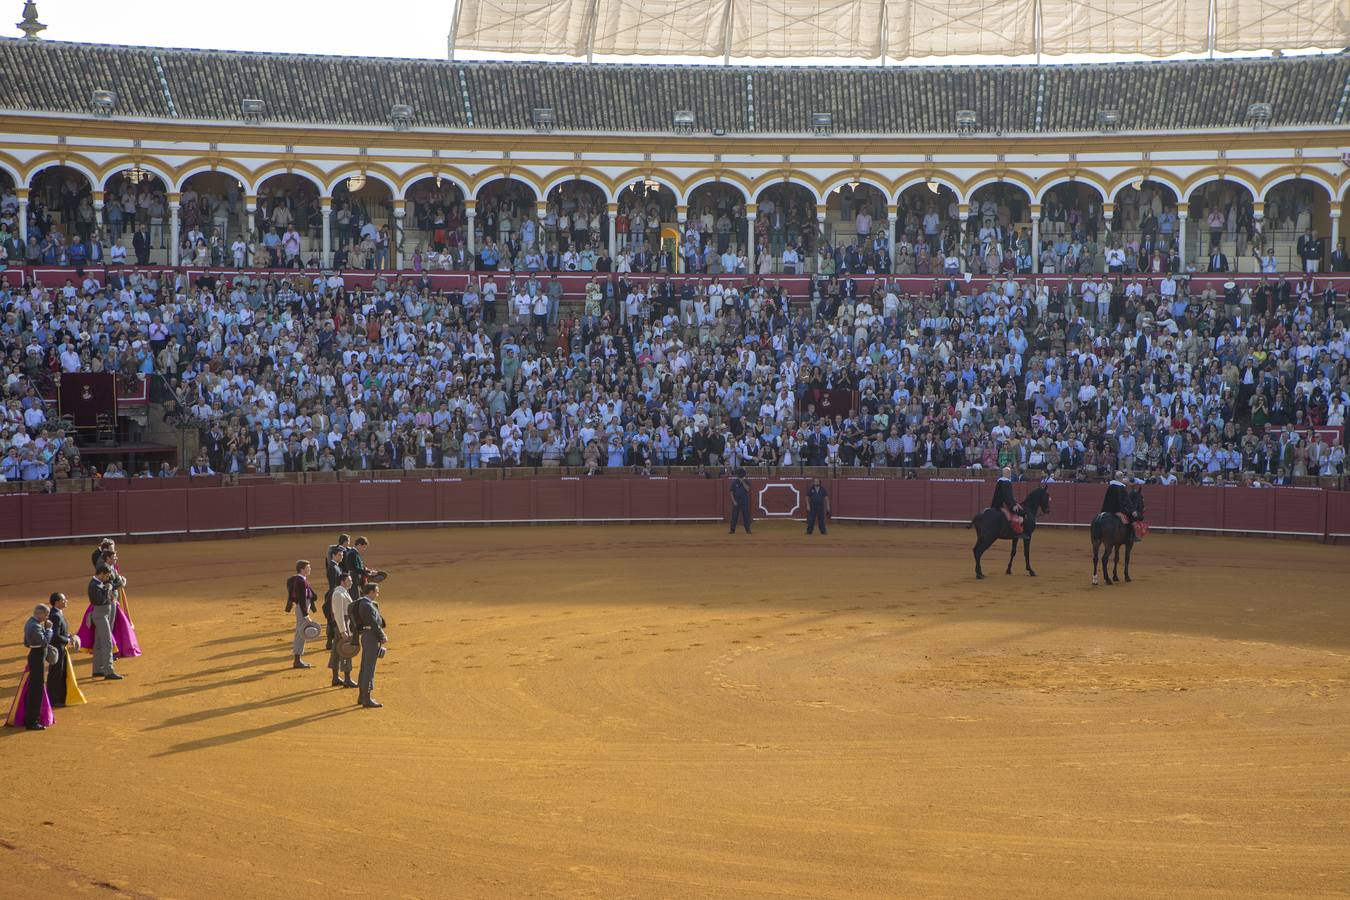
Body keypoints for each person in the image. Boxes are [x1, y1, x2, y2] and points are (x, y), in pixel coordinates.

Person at [5, 603, 54, 730]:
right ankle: (32, 721)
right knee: (36, 690)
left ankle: (31, 719)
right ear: (39, 613)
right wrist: (49, 630)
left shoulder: (31, 623)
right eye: (46, 614)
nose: (47, 617)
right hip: (37, 658)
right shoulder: (35, 625)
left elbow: (27, 643)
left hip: (35, 655)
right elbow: (44, 642)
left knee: (34, 688)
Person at [350, 580, 388, 709]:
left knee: (365, 666)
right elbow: (373, 623)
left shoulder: (364, 603)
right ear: (371, 592)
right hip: (371, 636)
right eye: (376, 591)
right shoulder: (366, 605)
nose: (377, 594)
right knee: (369, 668)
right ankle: (366, 698)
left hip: (367, 636)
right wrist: (381, 635)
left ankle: (362, 696)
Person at [44, 592, 84, 709]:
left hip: (60, 648)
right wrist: (68, 640)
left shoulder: (57, 613)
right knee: (56, 674)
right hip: (57, 649)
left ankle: (59, 698)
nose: (66, 601)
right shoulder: (55, 615)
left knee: (60, 673)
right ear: (56, 602)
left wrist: (70, 636)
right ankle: (53, 699)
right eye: (63, 600)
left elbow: (61, 632)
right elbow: (55, 636)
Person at [86, 566, 123, 680]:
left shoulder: (97, 583)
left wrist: (109, 587)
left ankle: (97, 670)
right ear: (101, 574)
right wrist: (108, 590)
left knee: (98, 642)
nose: (107, 578)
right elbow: (101, 600)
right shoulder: (94, 585)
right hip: (101, 615)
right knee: (107, 642)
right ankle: (108, 671)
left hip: (102, 614)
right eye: (106, 576)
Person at [327, 571, 357, 689]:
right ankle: (347, 679)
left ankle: (335, 678)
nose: (351, 582)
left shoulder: (342, 592)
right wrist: (343, 630)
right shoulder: (339, 594)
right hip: (342, 624)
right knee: (346, 650)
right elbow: (338, 614)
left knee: (336, 651)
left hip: (343, 623)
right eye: (349, 580)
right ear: (342, 582)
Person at [286, 560, 318, 669]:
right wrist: (306, 615)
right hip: (302, 608)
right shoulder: (300, 581)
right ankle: (297, 660)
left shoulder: (302, 580)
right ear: (302, 569)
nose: (310, 569)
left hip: (303, 608)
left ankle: (298, 659)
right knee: (301, 633)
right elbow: (301, 599)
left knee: (301, 633)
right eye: (308, 567)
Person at [321, 545, 345, 651]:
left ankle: (330, 642)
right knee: (333, 618)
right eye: (339, 555)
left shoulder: (335, 566)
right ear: (333, 555)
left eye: (342, 555)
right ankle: (330, 642)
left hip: (334, 593)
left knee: (333, 619)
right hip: (334, 594)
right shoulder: (333, 567)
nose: (341, 557)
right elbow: (333, 584)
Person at [991, 466, 1023, 533]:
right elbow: (1007, 496)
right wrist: (1012, 505)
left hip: (996, 504)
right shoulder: (1006, 482)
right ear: (1008, 473)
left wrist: (1013, 501)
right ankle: (1016, 531)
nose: (1010, 475)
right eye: (1010, 473)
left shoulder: (1000, 481)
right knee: (1016, 513)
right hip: (1004, 504)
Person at [729, 469, 752, 534]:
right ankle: (732, 530)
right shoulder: (734, 482)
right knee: (734, 516)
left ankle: (748, 529)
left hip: (745, 500)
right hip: (737, 500)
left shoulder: (746, 481)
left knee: (746, 515)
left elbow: (747, 489)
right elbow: (731, 492)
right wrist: (734, 501)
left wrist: (743, 482)